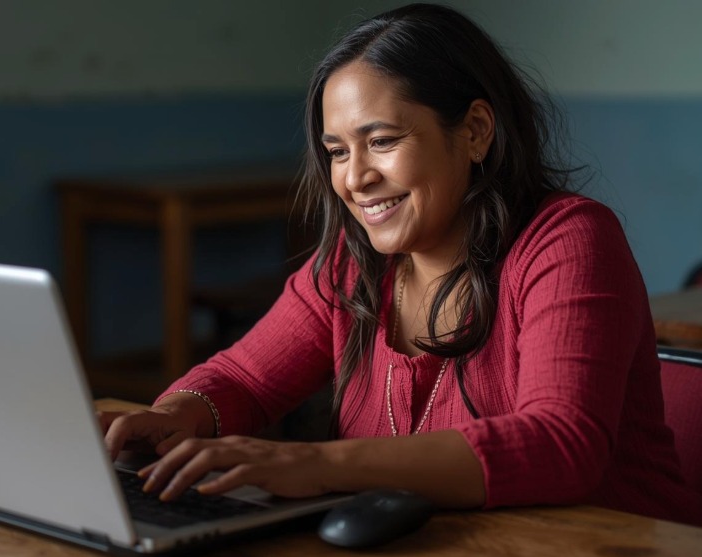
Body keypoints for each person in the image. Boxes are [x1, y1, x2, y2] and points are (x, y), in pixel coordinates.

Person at [99, 3, 702, 526]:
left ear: (474, 131)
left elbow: (560, 443)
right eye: (337, 151)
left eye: (382, 141)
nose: (355, 178)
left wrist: (311, 463)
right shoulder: (352, 266)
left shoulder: (568, 241)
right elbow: (245, 379)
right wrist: (176, 416)